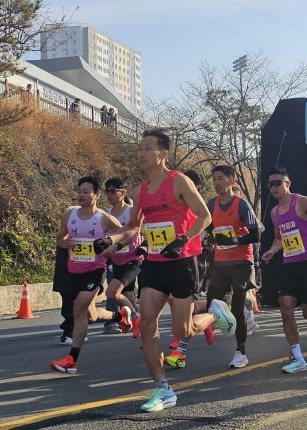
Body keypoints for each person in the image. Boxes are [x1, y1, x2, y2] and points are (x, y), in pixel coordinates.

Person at [123, 130, 237, 412]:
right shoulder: (139, 191)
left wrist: (182, 239)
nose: (141, 153)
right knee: (147, 323)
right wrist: (111, 241)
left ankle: (213, 314)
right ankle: (163, 389)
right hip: (154, 263)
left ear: (163, 154)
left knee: (181, 330)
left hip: (183, 261)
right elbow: (134, 227)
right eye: (139, 148)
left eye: (147, 148)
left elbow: (205, 216)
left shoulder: (179, 182)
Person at [50, 176, 134, 375]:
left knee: (79, 306)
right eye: (79, 191)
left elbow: (126, 233)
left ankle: (72, 360)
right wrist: (66, 243)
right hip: (73, 270)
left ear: (96, 196)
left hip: (95, 270)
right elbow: (60, 238)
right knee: (90, 315)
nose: (81, 195)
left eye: (86, 191)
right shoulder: (70, 214)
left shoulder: (103, 218)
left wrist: (110, 247)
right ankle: (119, 315)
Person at [260, 166, 307, 374]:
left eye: (278, 183)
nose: (274, 188)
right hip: (289, 263)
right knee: (286, 305)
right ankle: (297, 357)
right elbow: (279, 238)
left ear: (287, 184)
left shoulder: (301, 202)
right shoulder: (274, 212)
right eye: (270, 184)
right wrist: (272, 251)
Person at [206, 165, 261, 369]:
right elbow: (208, 229)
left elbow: (256, 235)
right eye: (214, 179)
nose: (217, 183)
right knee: (213, 302)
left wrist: (234, 239)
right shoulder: (211, 204)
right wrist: (207, 240)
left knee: (237, 308)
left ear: (232, 181)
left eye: (221, 178)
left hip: (241, 264)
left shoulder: (242, 205)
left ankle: (241, 351)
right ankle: (222, 322)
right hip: (220, 263)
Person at [103, 178, 142, 338]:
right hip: (115, 259)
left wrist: (116, 245)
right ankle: (140, 320)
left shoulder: (132, 210)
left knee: (112, 293)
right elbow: (103, 235)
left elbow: (133, 234)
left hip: (133, 258)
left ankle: (135, 317)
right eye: (107, 191)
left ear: (123, 192)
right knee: (127, 295)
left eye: (113, 191)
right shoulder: (106, 213)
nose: (109, 195)